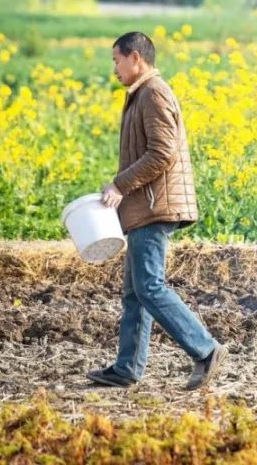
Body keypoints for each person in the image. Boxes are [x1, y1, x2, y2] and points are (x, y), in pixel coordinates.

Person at [87, 31, 226, 389]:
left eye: (116, 59)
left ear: (135, 58)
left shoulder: (153, 93)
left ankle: (206, 350)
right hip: (146, 205)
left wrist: (120, 184)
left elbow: (162, 153)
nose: (114, 68)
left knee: (149, 286)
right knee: (135, 292)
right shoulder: (142, 94)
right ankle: (127, 368)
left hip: (154, 205)